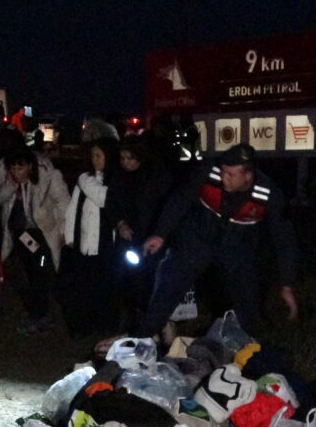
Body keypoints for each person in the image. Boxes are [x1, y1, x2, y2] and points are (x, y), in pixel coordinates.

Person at [134, 144, 299, 341]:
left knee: (248, 302)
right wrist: (160, 234)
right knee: (168, 286)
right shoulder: (207, 172)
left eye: (230, 174)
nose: (223, 177)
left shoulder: (268, 193)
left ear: (248, 176)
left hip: (238, 250)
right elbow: (180, 199)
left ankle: (249, 346)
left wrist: (287, 284)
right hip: (197, 240)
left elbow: (284, 238)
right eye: (222, 171)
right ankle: (142, 337)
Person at [0, 146, 69, 334]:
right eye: (13, 168)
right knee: (27, 273)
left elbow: (64, 203)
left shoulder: (49, 176)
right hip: (20, 235)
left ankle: (42, 314)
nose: (16, 172)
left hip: (43, 233)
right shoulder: (6, 176)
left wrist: (64, 232)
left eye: (21, 167)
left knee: (40, 272)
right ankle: (37, 311)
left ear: (31, 166)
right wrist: (10, 186)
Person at [60, 137, 121, 337]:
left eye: (99, 155)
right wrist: (69, 235)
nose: (95, 160)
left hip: (105, 244)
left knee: (105, 287)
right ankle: (85, 325)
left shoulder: (113, 180)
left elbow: (105, 199)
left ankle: (105, 325)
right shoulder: (85, 179)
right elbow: (73, 208)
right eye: (93, 155)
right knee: (84, 287)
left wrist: (85, 180)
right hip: (84, 242)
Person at [106, 138, 171, 325]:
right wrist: (120, 223)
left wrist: (159, 232)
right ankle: (133, 316)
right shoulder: (119, 177)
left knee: (150, 280)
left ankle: (152, 318)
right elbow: (112, 203)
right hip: (128, 239)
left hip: (151, 236)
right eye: (122, 158)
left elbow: (164, 206)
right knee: (129, 278)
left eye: (130, 158)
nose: (126, 162)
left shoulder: (155, 175)